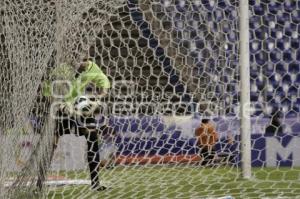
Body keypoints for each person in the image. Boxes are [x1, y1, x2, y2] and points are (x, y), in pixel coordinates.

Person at [40, 58, 110, 191]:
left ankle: (95, 183)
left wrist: (97, 99)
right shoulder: (60, 69)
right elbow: (47, 91)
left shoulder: (92, 67)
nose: (82, 65)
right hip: (62, 109)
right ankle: (39, 183)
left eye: (84, 62)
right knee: (52, 143)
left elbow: (105, 83)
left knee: (92, 139)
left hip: (81, 108)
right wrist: (59, 103)